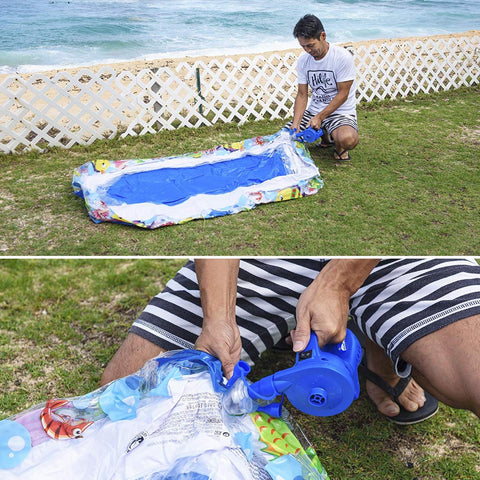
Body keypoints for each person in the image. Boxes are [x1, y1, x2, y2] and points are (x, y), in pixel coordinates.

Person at [101, 257, 480, 424]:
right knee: (127, 397)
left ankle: (377, 349)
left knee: (471, 377)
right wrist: (218, 318)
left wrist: (339, 282)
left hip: (383, 254)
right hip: (268, 256)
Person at [288, 14, 359, 162]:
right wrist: (295, 125)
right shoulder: (303, 61)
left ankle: (339, 148)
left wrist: (320, 117)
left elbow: (343, 94)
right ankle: (325, 139)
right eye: (303, 46)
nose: (307, 50)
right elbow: (302, 95)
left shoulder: (342, 57)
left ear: (323, 36)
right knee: (286, 137)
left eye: (310, 45)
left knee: (347, 139)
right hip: (315, 111)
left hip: (340, 112)